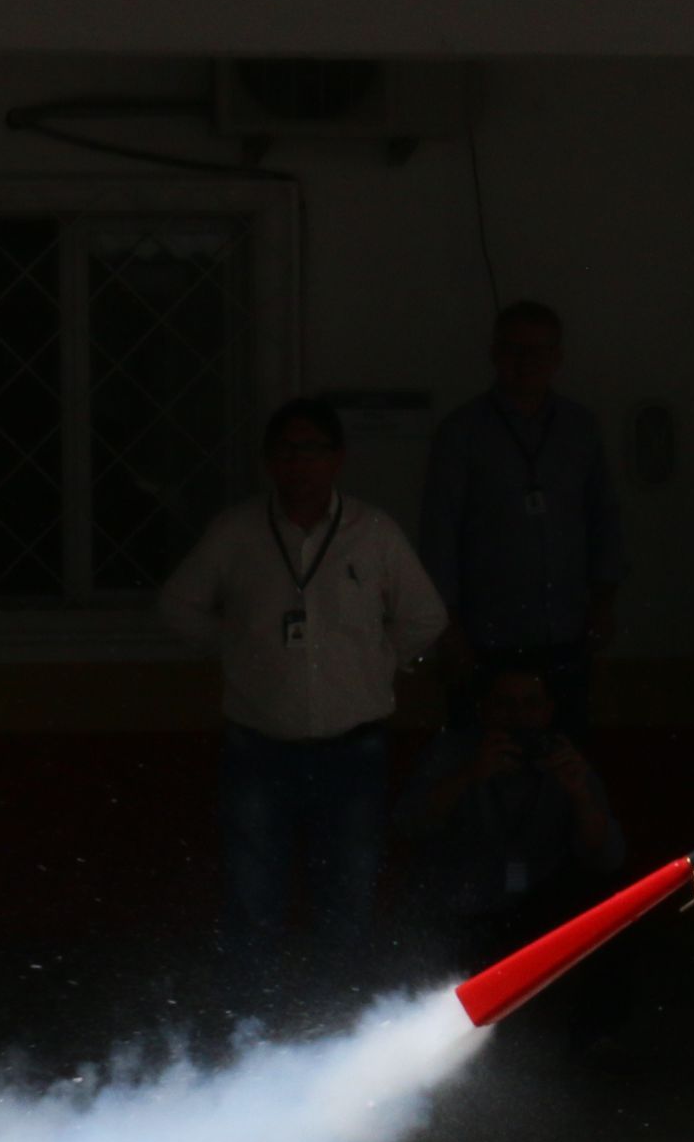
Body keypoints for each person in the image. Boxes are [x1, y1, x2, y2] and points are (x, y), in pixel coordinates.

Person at [160, 397, 447, 1011]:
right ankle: (251, 1029)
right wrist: (233, 644)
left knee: (347, 897)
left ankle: (332, 1022)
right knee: (251, 896)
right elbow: (177, 606)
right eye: (287, 450)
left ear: (337, 459)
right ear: (269, 461)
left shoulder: (373, 533)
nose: (300, 463)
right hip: (259, 745)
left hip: (354, 746)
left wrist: (379, 661)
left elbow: (426, 616)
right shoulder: (237, 532)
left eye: (312, 449)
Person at [420, 301, 626, 739]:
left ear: (557, 358)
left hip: (566, 629)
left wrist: (604, 601)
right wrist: (448, 627)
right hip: (485, 636)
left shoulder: (579, 428)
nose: (526, 361)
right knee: (483, 762)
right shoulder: (462, 432)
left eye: (539, 350)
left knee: (564, 760)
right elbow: (439, 533)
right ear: (495, 354)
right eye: (514, 349)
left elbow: (604, 517)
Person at [394, 667, 628, 1033]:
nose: (518, 716)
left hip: (539, 907)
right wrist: (471, 775)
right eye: (504, 704)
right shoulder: (454, 750)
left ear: (548, 710)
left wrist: (580, 795)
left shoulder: (564, 756)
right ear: (484, 710)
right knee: (428, 932)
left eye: (530, 704)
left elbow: (609, 857)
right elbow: (406, 824)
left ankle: (594, 1040)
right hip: (465, 905)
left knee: (607, 918)